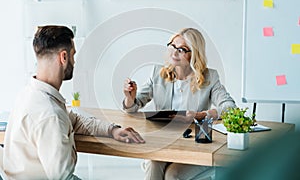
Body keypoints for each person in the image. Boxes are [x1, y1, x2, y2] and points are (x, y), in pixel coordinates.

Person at [3, 25, 145, 180]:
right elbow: (64, 178)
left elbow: (74, 120)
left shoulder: (30, 94)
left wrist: (112, 130)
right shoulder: (49, 114)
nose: (74, 62)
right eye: (73, 55)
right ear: (63, 57)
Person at [122, 28, 236, 180]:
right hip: (165, 144)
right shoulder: (157, 74)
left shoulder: (210, 77)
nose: (174, 53)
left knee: (172, 175)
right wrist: (130, 99)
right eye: (173, 46)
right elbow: (134, 107)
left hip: (196, 148)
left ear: (194, 54)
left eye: (182, 49)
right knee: (153, 164)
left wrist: (201, 115)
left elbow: (230, 108)